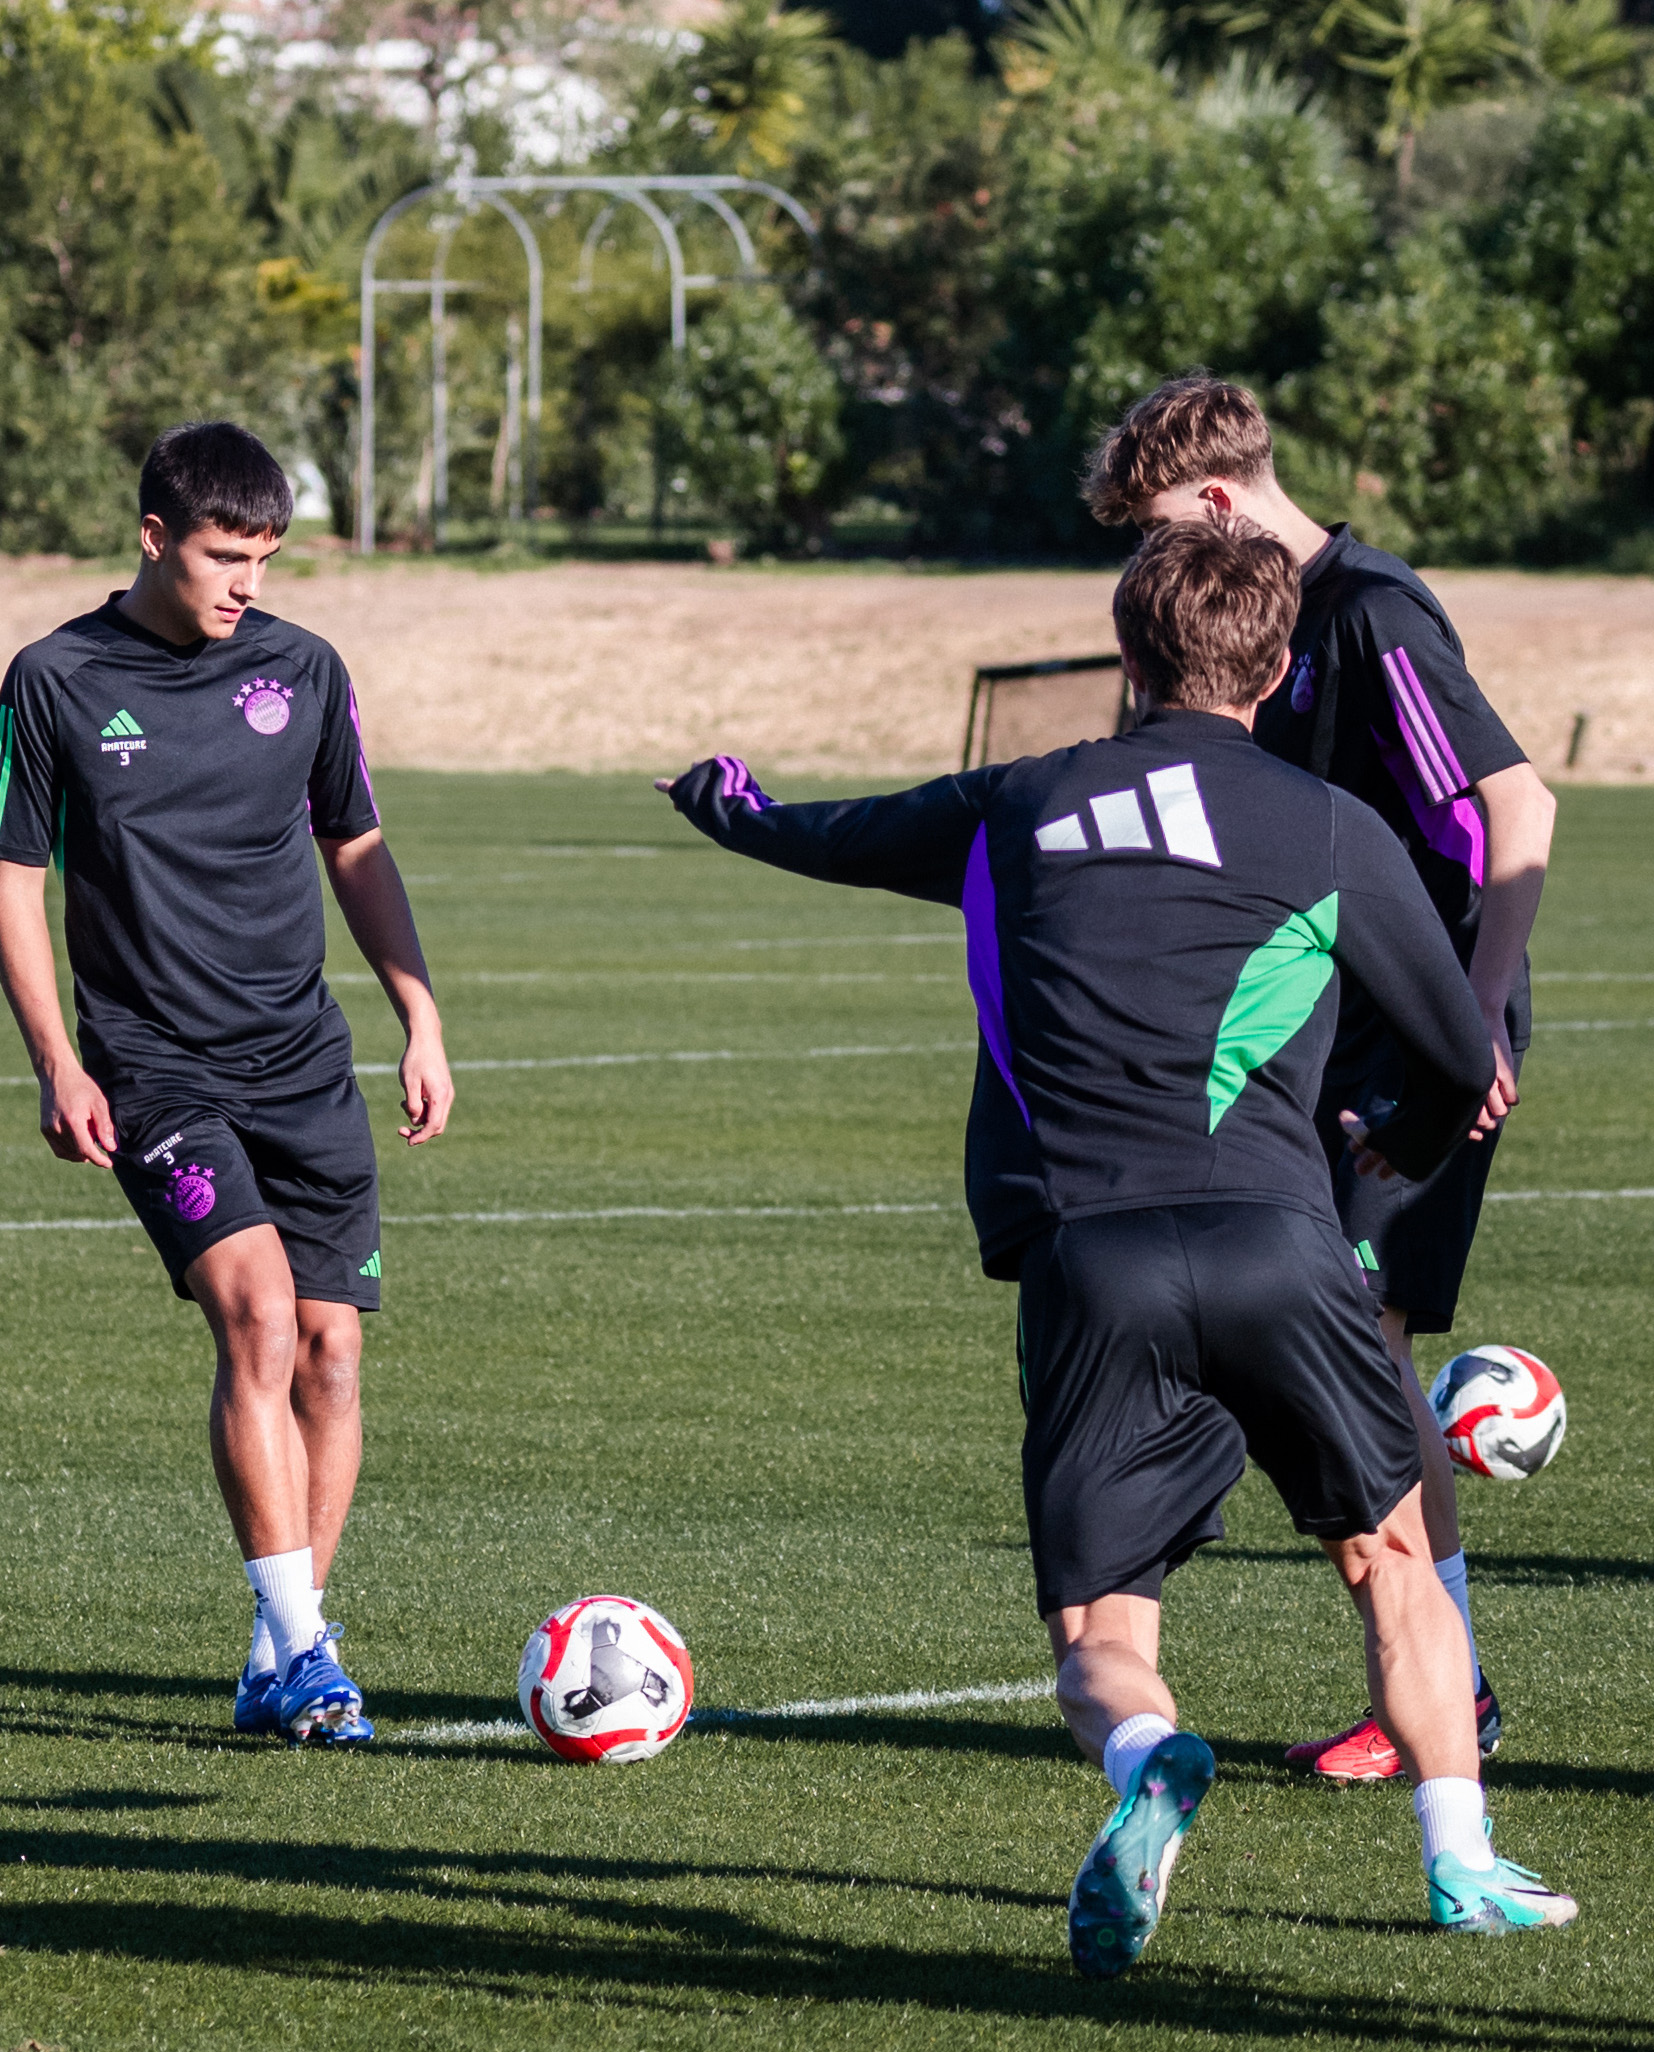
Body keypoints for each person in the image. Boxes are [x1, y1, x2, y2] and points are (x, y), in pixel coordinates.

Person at [661, 516, 1576, 1973]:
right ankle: (1462, 1863)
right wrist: (1404, 1136)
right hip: (1286, 1249)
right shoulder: (1330, 826)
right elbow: (1463, 1052)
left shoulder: (1014, 802)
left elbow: (822, 834)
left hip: (1092, 1265)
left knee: (1103, 1620)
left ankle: (1148, 1754)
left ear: (1127, 655)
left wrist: (727, 803)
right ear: (1278, 672)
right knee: (1391, 1557)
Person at [1083, 375, 1560, 1782]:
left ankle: (1444, 1698)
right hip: (1326, 1029)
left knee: (1359, 1337)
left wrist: (1467, 1024)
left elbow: (1512, 805)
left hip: (1413, 1037)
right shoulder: (1266, 626)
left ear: (1221, 501)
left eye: (1158, 528)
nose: (1145, 566)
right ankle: (1432, 1688)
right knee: (1352, 1336)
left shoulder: (1369, 615)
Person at [0, 421, 453, 1744]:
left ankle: (279, 1647)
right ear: (155, 539)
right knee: (255, 1315)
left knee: (334, 1354)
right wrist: (56, 1058)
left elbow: (356, 842)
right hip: (152, 1063)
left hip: (301, 1058)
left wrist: (417, 1008)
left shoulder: (304, 670)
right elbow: (11, 879)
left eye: (263, 558)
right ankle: (306, 1652)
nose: (245, 583)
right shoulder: (54, 678)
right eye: (223, 556)